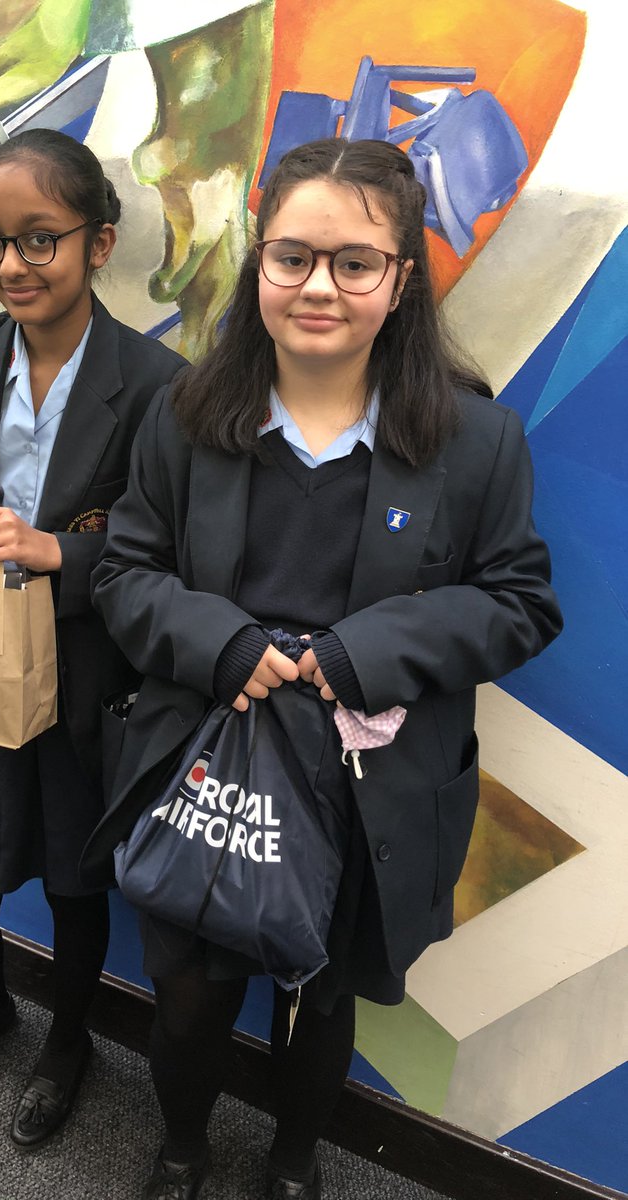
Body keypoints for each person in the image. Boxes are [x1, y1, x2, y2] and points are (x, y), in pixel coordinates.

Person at [83, 137, 562, 1199]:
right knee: (193, 997)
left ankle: (295, 1160)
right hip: (208, 770)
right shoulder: (186, 417)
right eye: (291, 255)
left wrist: (359, 655)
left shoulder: (477, 444)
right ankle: (180, 1149)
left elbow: (522, 603)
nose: (318, 287)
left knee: (323, 1002)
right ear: (259, 265)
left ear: (400, 283)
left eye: (356, 262)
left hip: (366, 795)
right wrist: (228, 646)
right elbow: (124, 573)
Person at [0, 128, 186, 1148]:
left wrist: (54, 551)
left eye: (39, 240)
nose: (11, 266)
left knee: (75, 887)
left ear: (99, 243)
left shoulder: (159, 384)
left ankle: (70, 1040)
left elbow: (170, 556)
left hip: (84, 682)